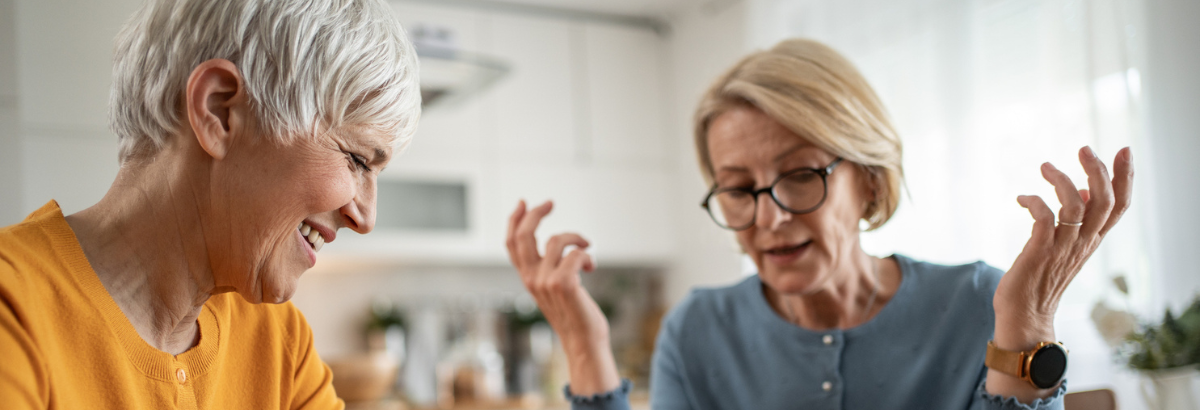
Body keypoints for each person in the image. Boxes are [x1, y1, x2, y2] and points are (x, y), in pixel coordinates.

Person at [505, 39, 1133, 410]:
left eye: (800, 175)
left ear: (870, 181)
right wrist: (584, 347)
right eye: (738, 188)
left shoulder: (981, 306)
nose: (769, 217)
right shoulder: (697, 332)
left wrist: (1028, 328)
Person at [0, 0, 420, 408]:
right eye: (357, 160)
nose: (366, 218)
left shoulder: (279, 344)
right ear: (219, 111)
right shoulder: (14, 311)